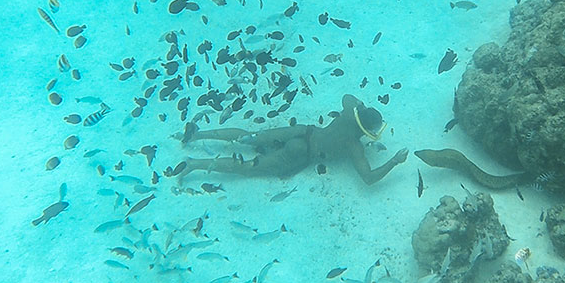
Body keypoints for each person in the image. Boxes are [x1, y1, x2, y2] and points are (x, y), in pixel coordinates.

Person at [173, 94, 408, 185]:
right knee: (247, 167)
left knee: (249, 138)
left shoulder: (348, 111)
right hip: (301, 153)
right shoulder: (354, 146)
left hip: (303, 132)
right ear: (367, 132)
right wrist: (395, 161)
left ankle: (197, 135)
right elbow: (368, 178)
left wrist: (359, 105)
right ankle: (194, 164)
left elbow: (347, 97)